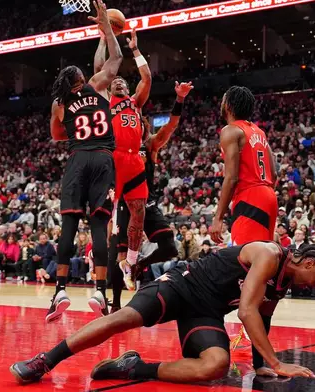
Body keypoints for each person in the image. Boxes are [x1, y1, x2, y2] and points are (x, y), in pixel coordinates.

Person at [11, 243, 315, 385]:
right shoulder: (269, 254)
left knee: (217, 366)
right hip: (182, 285)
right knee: (124, 318)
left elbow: (262, 318)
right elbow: (247, 311)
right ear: (307, 263)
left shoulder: (281, 283)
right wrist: (278, 363)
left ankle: (134, 368)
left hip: (206, 312)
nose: (314, 285)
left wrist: (263, 367)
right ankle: (46, 360)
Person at [45, 0, 122, 323]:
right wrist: (106, 28)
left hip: (77, 159)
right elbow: (116, 58)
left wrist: (76, 128)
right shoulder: (98, 85)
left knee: (69, 225)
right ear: (81, 77)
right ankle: (100, 292)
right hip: (103, 159)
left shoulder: (59, 103)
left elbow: (57, 136)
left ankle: (60, 289)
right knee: (100, 226)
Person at [111, 81, 193, 312]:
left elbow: (172, 124)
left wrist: (179, 99)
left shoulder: (151, 144)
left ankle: (137, 266)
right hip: (127, 201)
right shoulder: (117, 142)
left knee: (169, 248)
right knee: (119, 253)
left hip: (148, 200)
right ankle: (116, 303)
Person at [94, 28, 151, 291]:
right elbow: (98, 67)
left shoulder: (136, 103)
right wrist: (104, 38)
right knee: (108, 217)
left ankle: (130, 262)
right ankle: (99, 260)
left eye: (121, 82)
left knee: (138, 214)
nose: (117, 82)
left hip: (135, 161)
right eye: (114, 81)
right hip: (113, 158)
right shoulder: (106, 100)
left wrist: (136, 49)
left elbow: (147, 78)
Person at [210, 86, 277, 246]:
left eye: (223, 99)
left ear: (228, 105)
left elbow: (231, 177)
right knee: (263, 259)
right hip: (268, 195)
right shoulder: (259, 132)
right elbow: (273, 174)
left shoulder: (230, 130)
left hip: (250, 197)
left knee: (245, 258)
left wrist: (218, 217)